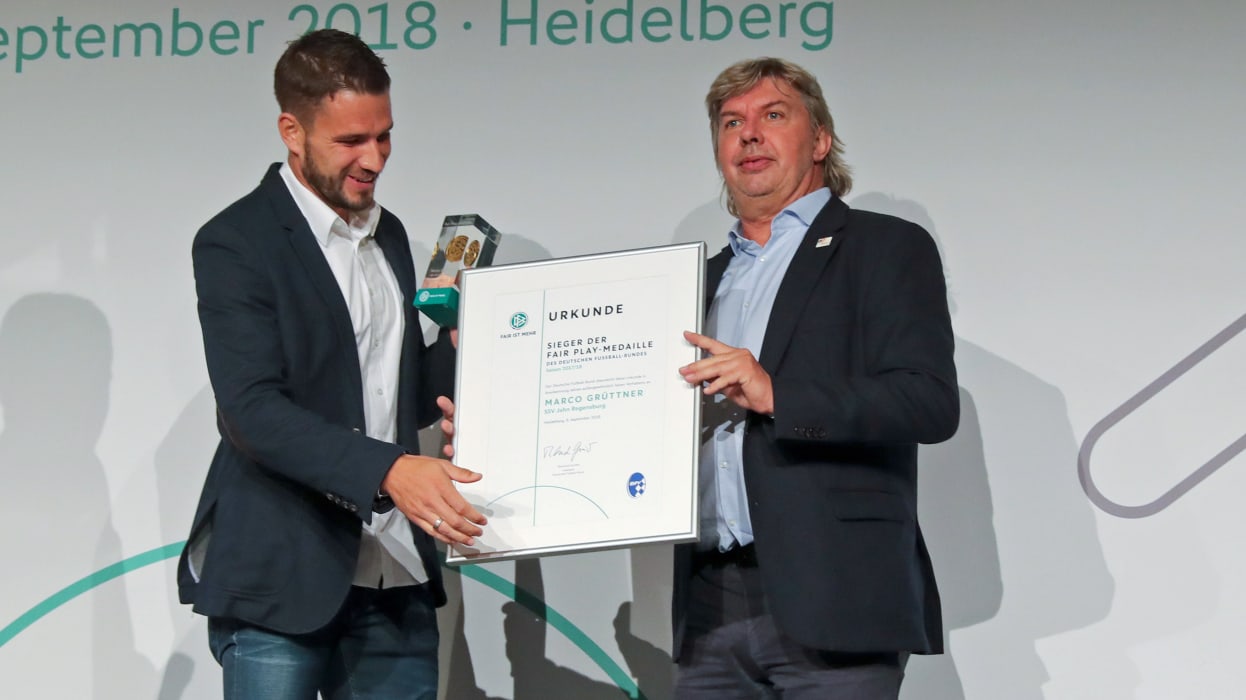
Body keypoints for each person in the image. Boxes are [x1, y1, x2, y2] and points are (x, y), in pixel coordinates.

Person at [176, 29, 486, 699]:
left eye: (384, 136)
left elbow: (387, 392)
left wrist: (473, 350)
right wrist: (390, 471)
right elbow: (253, 412)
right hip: (282, 578)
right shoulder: (235, 242)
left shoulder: (393, 235)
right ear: (293, 130)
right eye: (351, 141)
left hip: (392, 573)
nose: (374, 159)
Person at [674, 57, 960, 698]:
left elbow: (929, 402)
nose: (749, 134)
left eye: (773, 115)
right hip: (707, 605)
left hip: (837, 598)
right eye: (731, 123)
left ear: (821, 140)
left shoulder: (886, 248)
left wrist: (777, 395)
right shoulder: (692, 281)